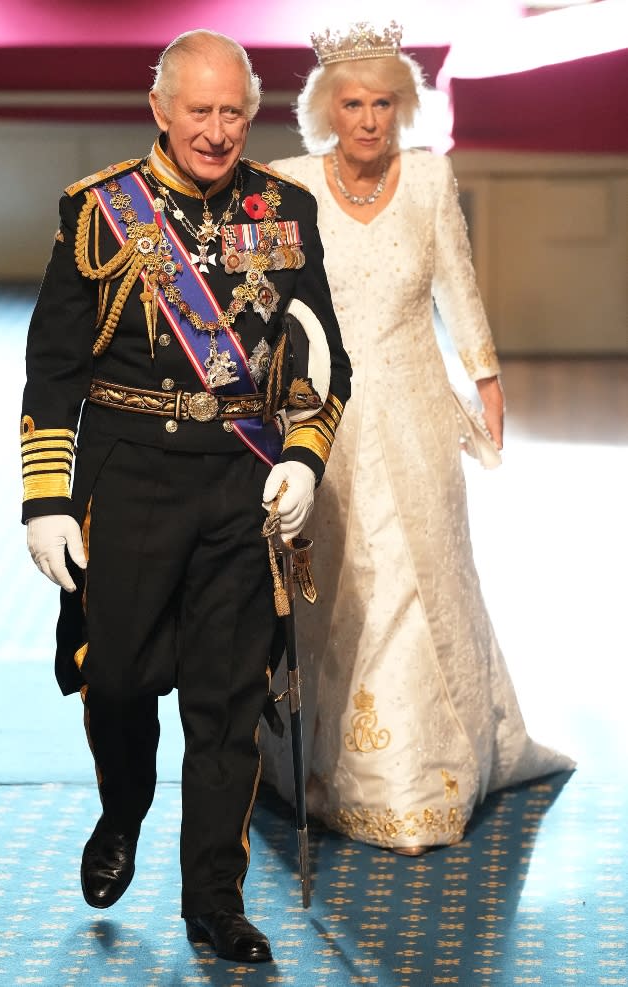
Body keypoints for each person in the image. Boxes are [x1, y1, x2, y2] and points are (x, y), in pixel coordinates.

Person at [20, 29, 351, 963]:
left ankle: (214, 895)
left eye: (233, 112)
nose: (216, 131)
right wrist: (47, 498)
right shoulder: (100, 212)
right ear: (159, 108)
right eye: (198, 111)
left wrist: (302, 457)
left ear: (252, 113)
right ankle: (122, 805)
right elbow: (53, 371)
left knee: (227, 703)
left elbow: (327, 361)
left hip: (241, 484)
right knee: (116, 677)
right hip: (130, 478)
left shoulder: (286, 209)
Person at [259, 21, 574, 854]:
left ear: (404, 106)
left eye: (383, 103)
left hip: (417, 406)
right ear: (327, 109)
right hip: (326, 413)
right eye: (353, 104)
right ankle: (326, 765)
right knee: (342, 574)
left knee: (421, 567)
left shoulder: (430, 178)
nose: (368, 119)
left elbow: (457, 286)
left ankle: (424, 774)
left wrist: (488, 378)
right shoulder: (289, 183)